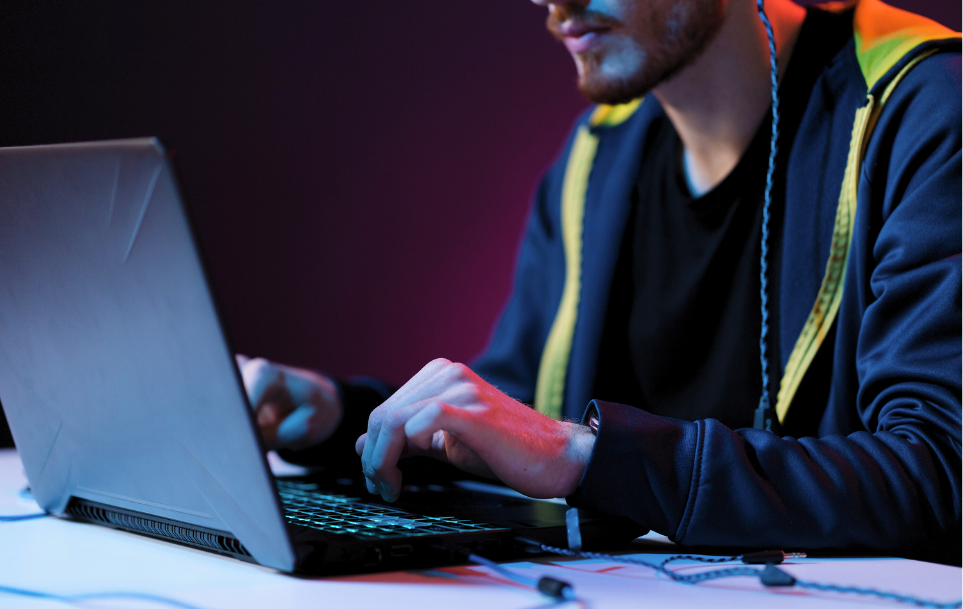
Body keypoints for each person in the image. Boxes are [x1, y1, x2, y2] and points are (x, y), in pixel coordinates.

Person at [239, 0, 961, 562]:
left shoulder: (924, 110)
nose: (552, 2)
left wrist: (588, 456)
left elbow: (941, 471)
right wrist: (343, 419)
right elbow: (512, 420)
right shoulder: (597, 155)